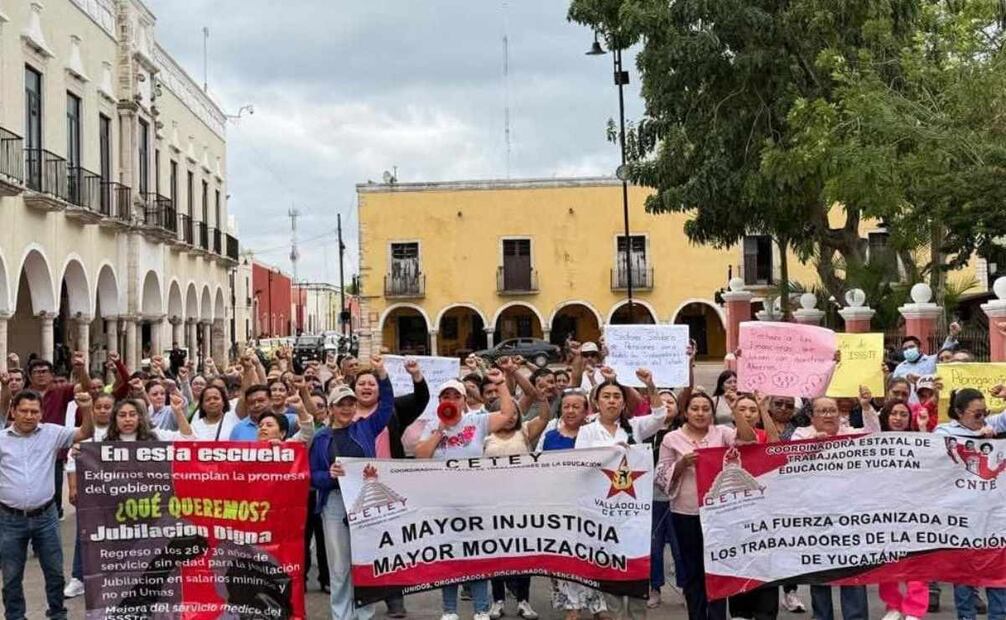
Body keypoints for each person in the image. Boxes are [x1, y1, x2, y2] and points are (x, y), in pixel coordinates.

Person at [415, 370, 517, 620]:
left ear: (463, 400)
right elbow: (421, 455)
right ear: (440, 401)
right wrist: (440, 430)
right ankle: (449, 610)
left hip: (475, 502)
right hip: (444, 504)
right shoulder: (431, 425)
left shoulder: (477, 421)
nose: (451, 400)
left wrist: (502, 383)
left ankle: (481, 608)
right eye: (445, 396)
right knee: (449, 556)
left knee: (476, 556)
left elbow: (507, 414)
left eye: (456, 396)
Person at [576, 369, 667, 620]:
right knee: (610, 576)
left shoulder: (634, 427)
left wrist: (650, 384)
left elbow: (660, 416)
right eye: (607, 396)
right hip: (601, 513)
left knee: (636, 571)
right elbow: (580, 464)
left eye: (617, 396)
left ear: (624, 402)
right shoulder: (587, 431)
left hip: (633, 514)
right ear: (597, 402)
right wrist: (610, 452)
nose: (612, 401)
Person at [657, 392, 756, 620]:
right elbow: (661, 478)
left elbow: (749, 440)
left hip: (719, 515)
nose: (700, 413)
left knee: (718, 570)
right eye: (695, 408)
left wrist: (735, 410)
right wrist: (681, 464)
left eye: (705, 409)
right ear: (685, 412)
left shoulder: (722, 433)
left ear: (712, 413)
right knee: (693, 571)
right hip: (686, 513)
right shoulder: (671, 438)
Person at [310, 355, 395, 620]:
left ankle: (364, 613)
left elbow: (387, 405)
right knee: (338, 567)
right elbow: (312, 476)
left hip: (363, 501)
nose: (347, 408)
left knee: (364, 560)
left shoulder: (366, 427)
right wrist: (329, 475)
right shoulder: (321, 438)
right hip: (335, 503)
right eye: (341, 404)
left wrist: (382, 374)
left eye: (350, 403)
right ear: (332, 408)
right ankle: (341, 615)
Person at [0, 388, 94, 620]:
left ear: (42, 413)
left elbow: (85, 432)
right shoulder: (1, 440)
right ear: (13, 411)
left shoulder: (52, 433)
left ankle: (57, 614)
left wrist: (87, 409)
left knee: (54, 573)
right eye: (23, 411)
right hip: (9, 519)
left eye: (34, 411)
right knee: (11, 576)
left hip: (46, 517)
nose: (29, 416)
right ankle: (15, 616)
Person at [935, 388, 1006, 620]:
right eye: (976, 414)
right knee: (963, 573)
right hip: (961, 513)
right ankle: (966, 616)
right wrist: (975, 440)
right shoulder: (944, 431)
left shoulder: (991, 424)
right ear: (958, 412)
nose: (982, 418)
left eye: (984, 412)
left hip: (993, 513)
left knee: (997, 568)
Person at [483, 381, 548, 620]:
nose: (510, 417)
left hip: (523, 501)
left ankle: (524, 601)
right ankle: (498, 601)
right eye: (504, 413)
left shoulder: (525, 431)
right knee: (496, 553)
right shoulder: (485, 435)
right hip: (493, 502)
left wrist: (541, 397)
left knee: (524, 552)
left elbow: (544, 416)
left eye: (514, 413)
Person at [63, 392, 115, 599]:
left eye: (107, 407)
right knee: (84, 535)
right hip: (90, 493)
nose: (103, 410)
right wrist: (73, 487)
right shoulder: (82, 432)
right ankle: (78, 578)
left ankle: (114, 576)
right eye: (99, 407)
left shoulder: (120, 430)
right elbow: (72, 461)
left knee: (116, 534)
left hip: (116, 494)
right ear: (92, 410)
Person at [892, 323, 959, 378]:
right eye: (905, 349)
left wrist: (952, 335)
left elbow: (945, 351)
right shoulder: (900, 368)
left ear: (920, 348)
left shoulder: (932, 361)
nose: (908, 350)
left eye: (911, 347)